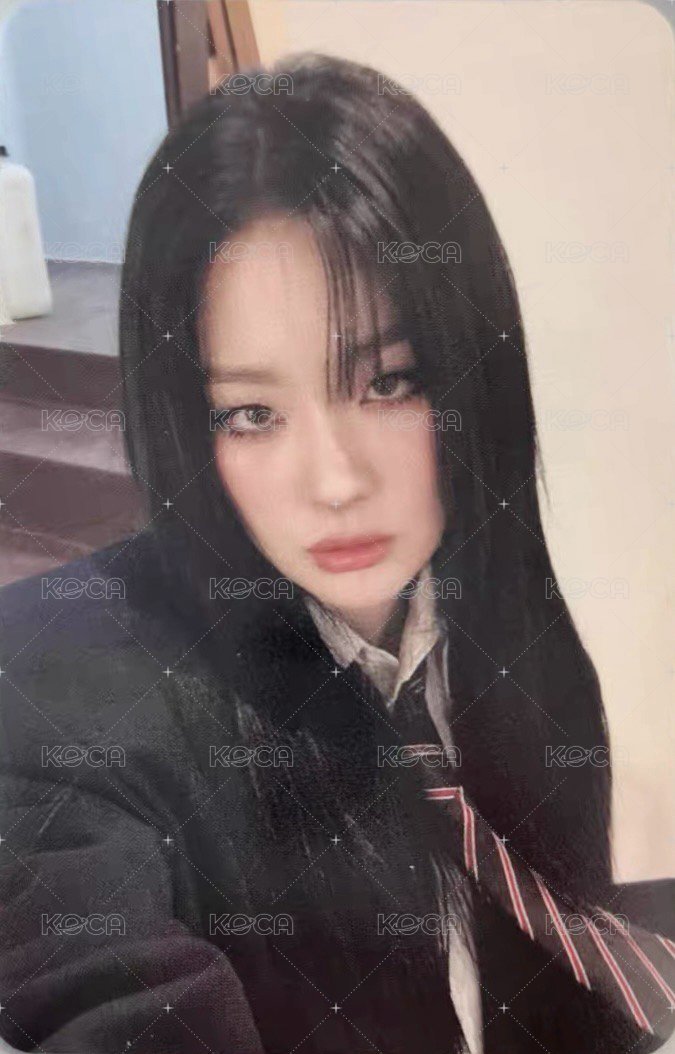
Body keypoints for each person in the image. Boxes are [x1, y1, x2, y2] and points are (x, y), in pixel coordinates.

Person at [0, 52, 673, 1054]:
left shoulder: (493, 611)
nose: (335, 479)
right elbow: (105, 991)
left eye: (388, 382)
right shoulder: (50, 686)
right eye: (251, 412)